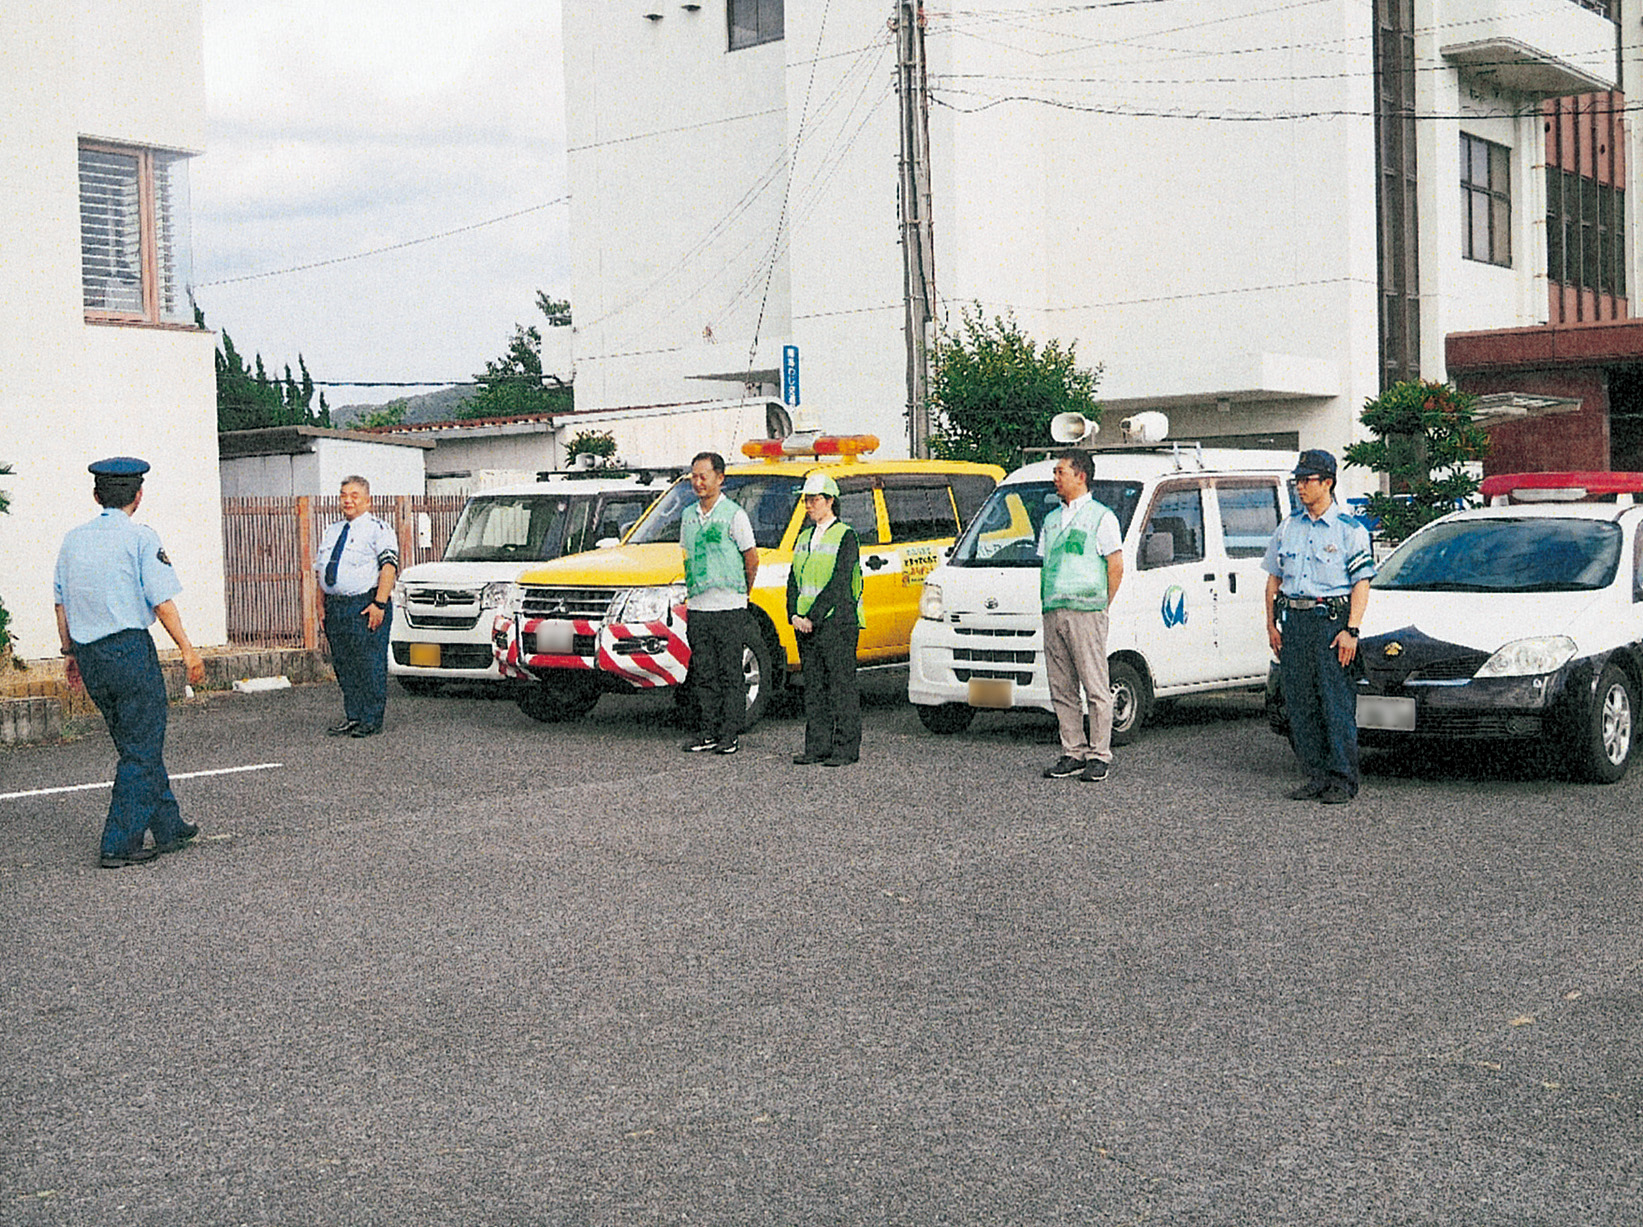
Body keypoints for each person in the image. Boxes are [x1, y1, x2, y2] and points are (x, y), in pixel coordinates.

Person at [54, 457, 207, 869]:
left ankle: (169, 826)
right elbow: (161, 600)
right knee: (141, 750)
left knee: (136, 744)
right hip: (128, 652)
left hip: (90, 655)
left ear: (96, 494)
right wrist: (188, 650)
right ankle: (118, 843)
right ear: (138, 496)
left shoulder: (72, 540)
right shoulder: (140, 537)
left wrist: (70, 655)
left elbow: (61, 603)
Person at [1262, 448, 1375, 805]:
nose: (1300, 487)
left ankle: (1342, 779)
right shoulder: (1288, 528)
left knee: (1334, 703)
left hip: (1330, 624)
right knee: (1301, 703)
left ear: (1328, 482)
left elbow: (1361, 583)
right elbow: (1273, 580)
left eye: (1307, 480)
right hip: (1294, 622)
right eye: (1297, 480)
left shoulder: (1348, 530)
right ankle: (1315, 775)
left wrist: (1351, 630)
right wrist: (1271, 626)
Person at [1038, 450, 1125, 783]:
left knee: (1095, 685)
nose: (1055, 478)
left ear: (1081, 476)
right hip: (1054, 609)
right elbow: (1046, 563)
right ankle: (1072, 751)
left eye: (1061, 472)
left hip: (1087, 610)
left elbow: (1115, 566)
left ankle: (1099, 754)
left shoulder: (1101, 517)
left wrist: (1103, 605)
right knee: (1061, 686)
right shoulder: (1050, 520)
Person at [679, 451, 759, 756]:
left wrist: (742, 594)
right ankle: (708, 731)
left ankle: (730, 733)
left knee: (730, 672)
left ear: (720, 478)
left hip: (729, 605)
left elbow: (751, 558)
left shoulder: (734, 515)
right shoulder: (688, 516)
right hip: (699, 606)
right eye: (694, 477)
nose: (698, 483)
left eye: (704, 476)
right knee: (704, 672)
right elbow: (687, 554)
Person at [787, 472, 864, 767]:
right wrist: (793, 613)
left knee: (841, 686)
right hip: (805, 624)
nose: (808, 505)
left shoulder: (845, 535)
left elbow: (840, 583)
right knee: (815, 687)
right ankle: (817, 746)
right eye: (806, 500)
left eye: (814, 499)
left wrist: (812, 617)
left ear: (831, 501)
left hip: (836, 622)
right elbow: (793, 579)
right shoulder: (804, 537)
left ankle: (845, 748)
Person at [315, 475, 399, 737]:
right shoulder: (333, 530)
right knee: (344, 663)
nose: (347, 500)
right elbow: (321, 570)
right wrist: (320, 606)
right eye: (343, 495)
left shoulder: (378, 529)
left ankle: (371, 718)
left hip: (365, 605)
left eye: (354, 495)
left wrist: (379, 604)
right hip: (336, 607)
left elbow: (388, 567)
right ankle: (354, 715)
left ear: (367, 500)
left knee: (368, 663)